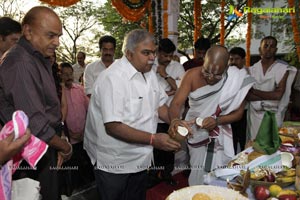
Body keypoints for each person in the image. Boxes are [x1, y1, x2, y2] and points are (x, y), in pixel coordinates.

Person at [84, 29, 181, 200]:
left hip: (141, 158)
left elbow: (159, 105)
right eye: (146, 53)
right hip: (114, 161)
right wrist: (153, 139)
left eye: (153, 52)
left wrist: (174, 121)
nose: (152, 57)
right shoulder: (112, 79)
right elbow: (113, 127)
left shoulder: (149, 72)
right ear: (129, 54)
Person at [0, 6, 72, 200]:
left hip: (47, 142)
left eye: (59, 36)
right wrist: (64, 147)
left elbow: (49, 108)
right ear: (28, 31)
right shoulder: (21, 62)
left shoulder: (39, 56)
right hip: (34, 147)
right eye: (51, 36)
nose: (57, 42)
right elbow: (35, 121)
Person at [169, 45, 255, 186]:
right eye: (206, 71)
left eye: (216, 75)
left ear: (226, 69)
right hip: (195, 131)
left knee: (220, 174)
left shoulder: (235, 80)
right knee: (198, 172)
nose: (210, 77)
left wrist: (217, 120)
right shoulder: (191, 75)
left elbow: (239, 114)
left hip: (221, 131)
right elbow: (176, 104)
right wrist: (175, 120)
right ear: (203, 62)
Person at [247, 36, 297, 141]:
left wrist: (254, 91)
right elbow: (247, 95)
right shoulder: (251, 70)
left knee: (272, 147)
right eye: (266, 46)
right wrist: (270, 95)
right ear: (260, 49)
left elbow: (278, 95)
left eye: (272, 46)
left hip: (274, 115)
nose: (269, 48)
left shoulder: (283, 69)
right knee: (255, 147)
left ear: (276, 50)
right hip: (255, 115)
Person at [150, 38, 185, 186]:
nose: (168, 59)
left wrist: (165, 74)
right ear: (158, 52)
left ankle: (167, 175)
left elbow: (180, 89)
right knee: (155, 149)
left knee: (170, 149)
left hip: (172, 117)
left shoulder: (177, 67)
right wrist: (166, 92)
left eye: (170, 55)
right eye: (165, 55)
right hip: (154, 117)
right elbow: (150, 92)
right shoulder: (149, 66)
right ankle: (153, 177)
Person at [60, 62, 94, 192]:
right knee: (73, 170)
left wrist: (85, 131)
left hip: (84, 137)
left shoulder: (80, 89)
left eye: (70, 74)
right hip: (69, 140)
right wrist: (69, 134)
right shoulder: (58, 93)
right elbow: (59, 117)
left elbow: (89, 110)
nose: (68, 77)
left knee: (86, 168)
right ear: (60, 75)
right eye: (65, 74)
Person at [228, 47, 248, 154]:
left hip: (243, 114)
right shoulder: (226, 74)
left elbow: (248, 94)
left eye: (237, 59)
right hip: (227, 115)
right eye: (231, 59)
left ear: (243, 60)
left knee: (244, 141)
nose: (233, 62)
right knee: (231, 143)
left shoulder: (247, 74)